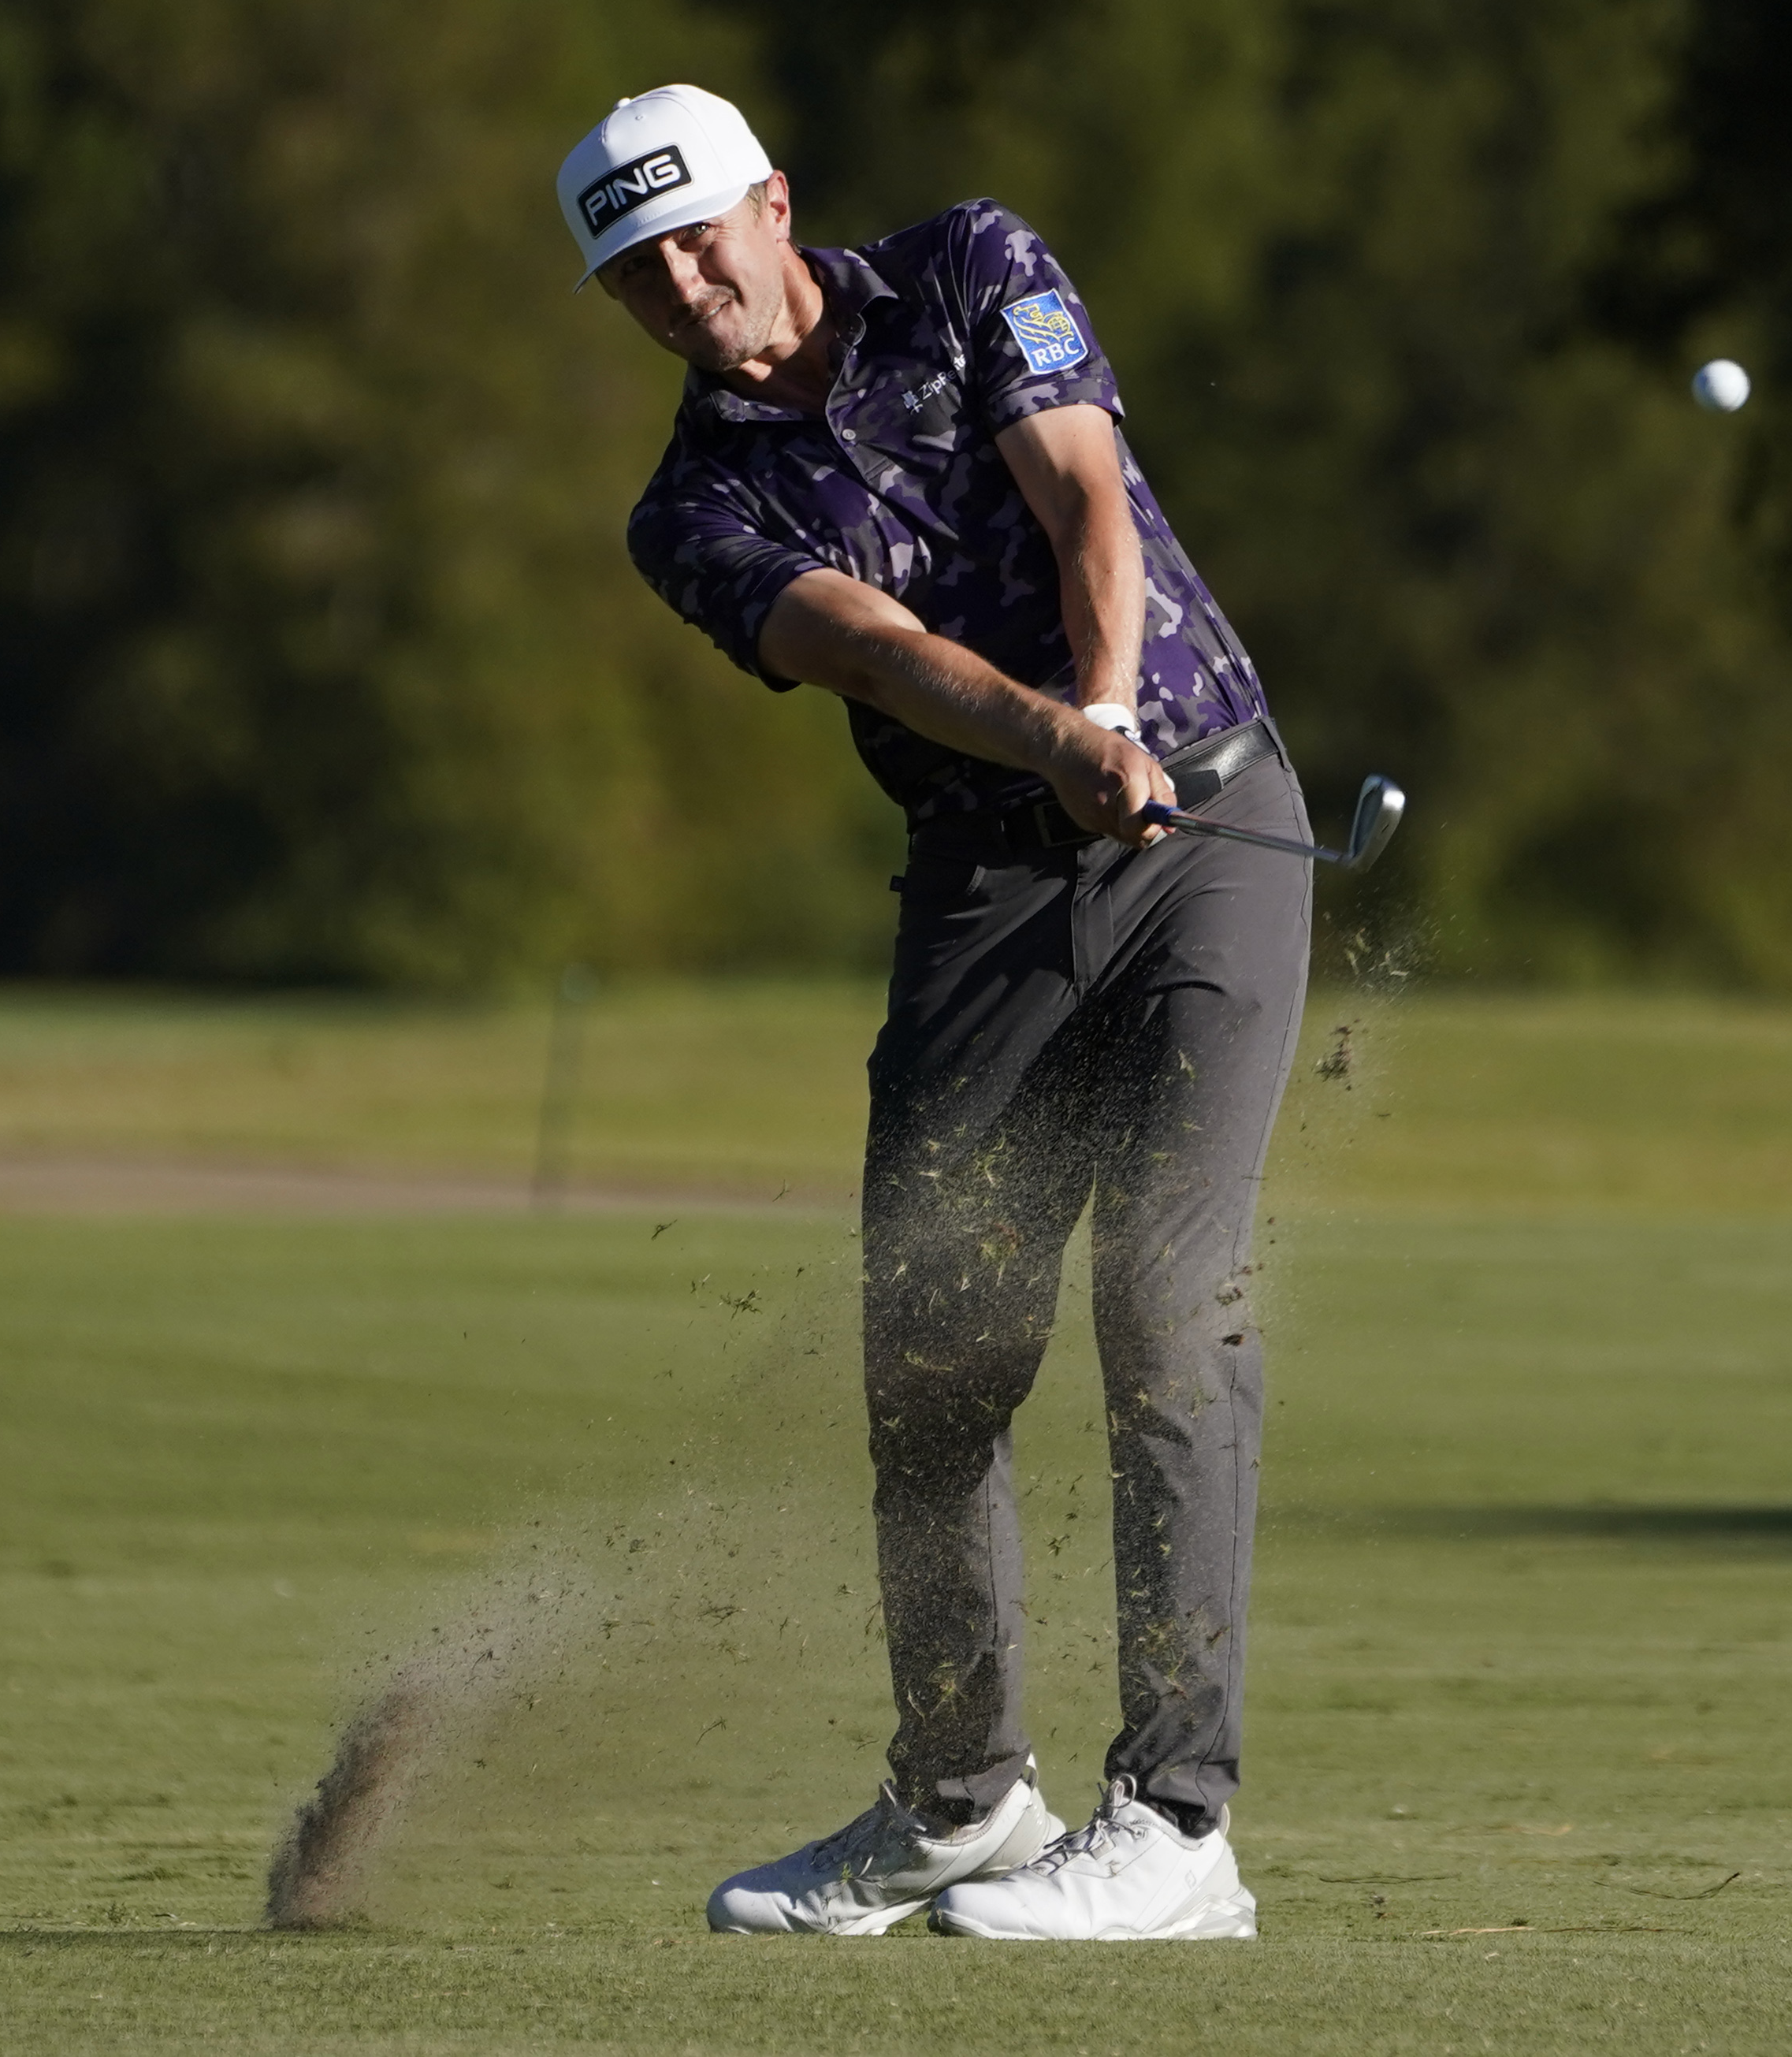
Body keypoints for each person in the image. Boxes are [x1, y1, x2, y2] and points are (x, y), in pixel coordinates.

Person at [556, 85, 1310, 1941]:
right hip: (986, 888)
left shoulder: (972, 266)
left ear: (774, 205)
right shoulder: (691, 507)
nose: (678, 285)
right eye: (635, 274)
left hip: (1206, 818)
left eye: (696, 239)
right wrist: (1050, 741)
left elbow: (1082, 492)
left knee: (1165, 1299)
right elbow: (874, 652)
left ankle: (1177, 1825)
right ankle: (962, 1802)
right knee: (933, 1355)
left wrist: (1109, 713)